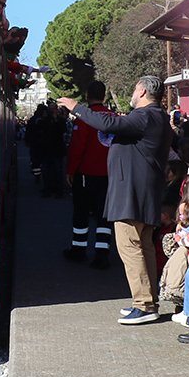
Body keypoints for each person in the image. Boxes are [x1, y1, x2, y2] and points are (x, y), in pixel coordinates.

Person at [58, 75, 173, 325]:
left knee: (130, 248)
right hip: (145, 193)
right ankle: (148, 301)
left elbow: (108, 123)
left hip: (131, 193)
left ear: (141, 91)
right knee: (143, 247)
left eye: (134, 89)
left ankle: (143, 305)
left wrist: (77, 108)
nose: (132, 93)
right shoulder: (158, 117)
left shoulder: (144, 116)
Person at [64, 81, 113, 265]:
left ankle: (78, 250)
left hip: (86, 173)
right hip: (109, 174)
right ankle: (102, 254)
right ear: (104, 96)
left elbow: (77, 147)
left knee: (81, 213)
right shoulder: (114, 117)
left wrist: (70, 171)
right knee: (104, 215)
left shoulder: (85, 118)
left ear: (87, 95)